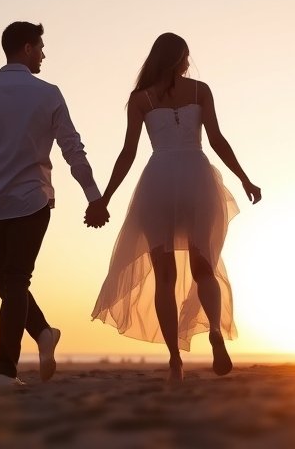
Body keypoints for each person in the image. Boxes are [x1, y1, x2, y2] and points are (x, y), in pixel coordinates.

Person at [88, 32, 261, 383]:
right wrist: (244, 178)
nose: (187, 62)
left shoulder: (141, 99)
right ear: (178, 57)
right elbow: (216, 139)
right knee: (204, 267)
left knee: (164, 277)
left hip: (159, 183)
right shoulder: (200, 90)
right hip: (197, 179)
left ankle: (173, 360)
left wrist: (104, 198)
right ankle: (213, 329)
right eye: (185, 56)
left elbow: (128, 153)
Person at [0, 21, 107, 387]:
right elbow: (73, 149)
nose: (43, 54)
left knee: (14, 280)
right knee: (8, 282)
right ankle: (43, 334)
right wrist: (93, 196)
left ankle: (5, 371)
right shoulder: (48, 94)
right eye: (40, 47)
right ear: (25, 49)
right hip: (30, 199)